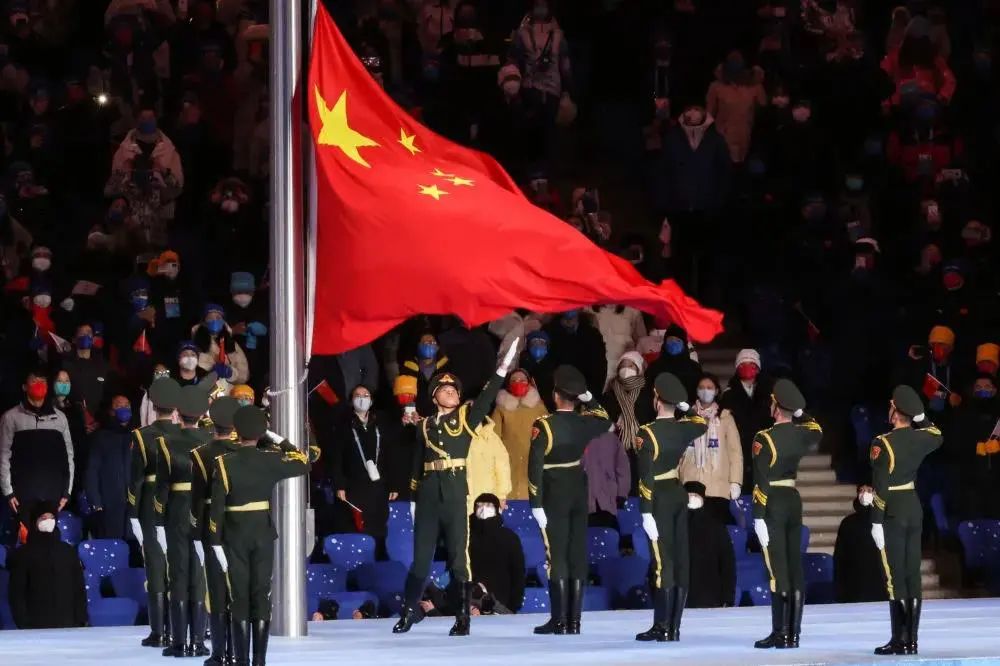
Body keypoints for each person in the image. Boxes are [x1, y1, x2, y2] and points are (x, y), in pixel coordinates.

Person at [393, 341, 518, 636]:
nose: (452, 392)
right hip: (428, 495)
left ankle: (462, 617)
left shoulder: (466, 419)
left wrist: (501, 370)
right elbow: (417, 464)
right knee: (421, 557)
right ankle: (409, 610)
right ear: (434, 395)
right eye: (445, 389)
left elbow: (486, 397)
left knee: (459, 559)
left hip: (454, 493)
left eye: (455, 390)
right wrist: (413, 499)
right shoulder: (424, 426)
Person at [207, 407, 312, 666]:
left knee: (239, 596)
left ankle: (242, 660)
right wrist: (276, 438)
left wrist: (215, 541)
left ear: (236, 431)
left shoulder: (223, 463)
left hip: (234, 534)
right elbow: (303, 461)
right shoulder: (271, 459)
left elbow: (216, 508)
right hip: (262, 532)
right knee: (261, 594)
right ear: (260, 432)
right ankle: (259, 660)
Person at [528, 365, 610, 636]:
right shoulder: (583, 422)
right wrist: (589, 397)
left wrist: (535, 502)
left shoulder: (544, 425)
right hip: (578, 490)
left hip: (554, 493)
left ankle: (559, 620)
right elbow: (604, 418)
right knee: (577, 554)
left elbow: (534, 467)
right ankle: (574, 622)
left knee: (557, 555)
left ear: (555, 395)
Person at [869, 385, 943, 656]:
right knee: (913, 574)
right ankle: (911, 641)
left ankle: (898, 639)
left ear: (896, 412)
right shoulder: (921, 438)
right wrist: (920, 416)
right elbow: (937, 435)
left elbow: (881, 485)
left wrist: (876, 520)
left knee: (895, 577)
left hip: (893, 509)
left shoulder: (882, 442)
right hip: (913, 506)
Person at [633, 373, 707, 642]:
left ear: (656, 399)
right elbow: (700, 422)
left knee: (663, 562)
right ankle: (673, 627)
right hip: (678, 493)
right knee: (679, 560)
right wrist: (685, 406)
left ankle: (661, 626)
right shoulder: (682, 428)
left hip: (659, 497)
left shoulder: (647, 433)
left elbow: (645, 477)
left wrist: (645, 511)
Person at [751, 379, 823, 650]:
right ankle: (793, 634)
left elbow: (760, 479)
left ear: (776, 407)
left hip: (773, 501)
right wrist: (799, 412)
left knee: (778, 569)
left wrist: (758, 514)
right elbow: (816, 428)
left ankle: (780, 632)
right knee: (794, 567)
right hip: (793, 498)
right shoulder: (801, 434)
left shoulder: (764, 438)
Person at [153, 387, 212, 658]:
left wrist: (158, 519)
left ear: (178, 413)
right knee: (198, 573)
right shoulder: (211, 441)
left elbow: (161, 488)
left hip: (177, 511)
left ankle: (179, 642)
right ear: (202, 414)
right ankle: (198, 641)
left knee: (178, 572)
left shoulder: (167, 442)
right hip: (203, 510)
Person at [126, 377, 183, 648]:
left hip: (150, 503)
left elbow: (135, 480)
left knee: (156, 565)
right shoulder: (185, 434)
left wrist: (133, 513)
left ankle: (159, 632)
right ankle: (187, 629)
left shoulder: (141, 436)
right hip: (179, 501)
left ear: (153, 405)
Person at [190, 398, 242, 666]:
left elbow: (196, 500)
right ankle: (239, 653)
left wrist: (197, 534)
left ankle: (220, 653)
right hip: (243, 525)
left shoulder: (201, 454)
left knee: (217, 590)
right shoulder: (247, 452)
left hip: (212, 526)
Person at [0, 370, 74, 529]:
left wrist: (67, 491)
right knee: (25, 539)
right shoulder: (10, 417)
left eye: (43, 381)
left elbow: (68, 457)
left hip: (52, 494)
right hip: (23, 495)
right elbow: (3, 457)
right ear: (24, 386)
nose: (39, 385)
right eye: (34, 381)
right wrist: (8, 492)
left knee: (49, 539)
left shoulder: (60, 418)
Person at [331, 385, 397, 557]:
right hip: (354, 484)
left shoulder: (381, 424)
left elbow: (391, 455)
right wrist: (339, 485)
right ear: (351, 401)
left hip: (378, 485)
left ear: (372, 400)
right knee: (356, 524)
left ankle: (379, 560)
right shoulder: (344, 426)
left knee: (379, 524)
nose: (362, 398)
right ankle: (358, 562)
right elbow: (336, 458)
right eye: (357, 395)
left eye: (366, 395)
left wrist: (393, 484)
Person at [7, 502, 88, 629]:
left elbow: (79, 588)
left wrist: (81, 620)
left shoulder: (68, 551)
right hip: (35, 627)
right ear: (35, 521)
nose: (48, 521)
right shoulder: (23, 554)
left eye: (52, 518)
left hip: (68, 624)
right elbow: (17, 593)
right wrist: (23, 624)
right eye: (43, 518)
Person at [679, 373, 743, 525]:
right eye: (701, 387)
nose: (705, 391)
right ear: (696, 391)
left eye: (709, 387)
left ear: (716, 391)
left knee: (715, 529)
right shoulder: (686, 418)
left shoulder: (725, 418)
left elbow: (735, 452)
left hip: (718, 486)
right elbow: (678, 453)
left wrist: (735, 482)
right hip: (691, 483)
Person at [491, 369, 548, 500]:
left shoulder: (539, 407)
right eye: (514, 381)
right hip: (509, 463)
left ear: (529, 383)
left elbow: (549, 434)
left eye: (522, 380)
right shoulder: (501, 408)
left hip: (533, 461)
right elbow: (493, 437)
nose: (518, 383)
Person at [721, 349, 773, 489]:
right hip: (740, 447)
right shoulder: (728, 395)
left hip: (763, 446)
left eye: (751, 364)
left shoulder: (769, 393)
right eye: (743, 364)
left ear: (758, 368)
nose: (747, 367)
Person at [85, 395, 134, 539]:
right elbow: (92, 471)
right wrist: (96, 502)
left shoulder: (137, 437)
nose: (123, 409)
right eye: (119, 405)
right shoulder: (101, 437)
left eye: (127, 405)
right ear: (111, 411)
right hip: (109, 505)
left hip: (133, 507)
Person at [706, 51, 767, 164]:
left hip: (745, 135)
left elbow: (763, 106)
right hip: (723, 135)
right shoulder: (716, 87)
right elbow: (709, 113)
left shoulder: (754, 86)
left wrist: (758, 78)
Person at [469, 493, 525, 614]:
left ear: (496, 509)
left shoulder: (509, 537)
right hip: (470, 603)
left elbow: (518, 572)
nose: (483, 509)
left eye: (489, 505)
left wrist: (514, 604)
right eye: (479, 505)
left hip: (502, 605)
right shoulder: (466, 536)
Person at [685, 481, 736, 609]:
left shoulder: (716, 526)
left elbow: (727, 563)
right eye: (689, 496)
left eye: (696, 496)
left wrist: (728, 597)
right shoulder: (674, 527)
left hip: (711, 598)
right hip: (681, 598)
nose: (692, 499)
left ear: (703, 499)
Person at [834, 485, 888, 603]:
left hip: (881, 585)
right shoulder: (848, 523)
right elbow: (839, 557)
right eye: (861, 490)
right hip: (854, 586)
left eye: (869, 490)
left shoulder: (886, 521)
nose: (864, 494)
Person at [545, 310, 608, 399]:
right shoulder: (549, 332)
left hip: (585, 394)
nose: (569, 320)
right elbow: (546, 367)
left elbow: (599, 368)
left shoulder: (592, 335)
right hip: (557, 395)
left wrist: (589, 396)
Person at [61, 322, 110, 418]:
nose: (85, 336)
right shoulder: (65, 364)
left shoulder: (102, 365)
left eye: (88, 333)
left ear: (93, 339)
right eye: (81, 333)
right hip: (72, 417)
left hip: (97, 419)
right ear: (74, 339)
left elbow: (107, 394)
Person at [194, 304, 250, 385]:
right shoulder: (195, 343)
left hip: (229, 390)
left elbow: (244, 375)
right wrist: (211, 371)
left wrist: (230, 373)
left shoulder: (232, 344)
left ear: (223, 321)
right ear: (203, 322)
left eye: (218, 318)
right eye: (210, 318)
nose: (214, 321)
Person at [399, 331, 451, 416]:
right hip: (417, 415)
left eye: (432, 342)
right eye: (425, 342)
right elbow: (406, 393)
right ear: (418, 346)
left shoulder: (446, 365)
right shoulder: (409, 366)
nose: (429, 344)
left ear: (437, 347)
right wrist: (410, 413)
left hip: (442, 415)